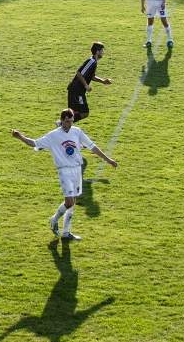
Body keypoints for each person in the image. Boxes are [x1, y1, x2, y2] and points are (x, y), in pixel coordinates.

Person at [12, 109, 117, 243]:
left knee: (73, 201)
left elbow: (92, 147)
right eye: (67, 121)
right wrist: (20, 136)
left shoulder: (77, 131)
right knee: (69, 202)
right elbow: (34, 143)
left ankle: (66, 232)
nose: (70, 124)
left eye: (72, 121)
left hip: (77, 169)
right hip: (64, 171)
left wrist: (109, 160)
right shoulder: (53, 136)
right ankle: (54, 220)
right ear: (62, 121)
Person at [67, 42, 111, 123]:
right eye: (102, 50)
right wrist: (86, 85)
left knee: (72, 113)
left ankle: (63, 126)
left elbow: (92, 76)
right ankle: (62, 123)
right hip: (77, 91)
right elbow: (79, 73)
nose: (103, 52)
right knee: (84, 112)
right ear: (97, 51)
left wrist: (103, 81)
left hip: (76, 90)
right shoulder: (91, 61)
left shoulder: (93, 62)